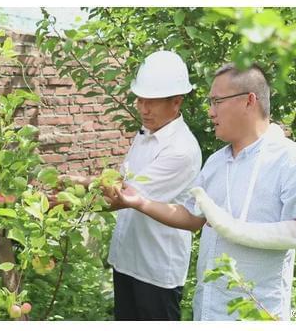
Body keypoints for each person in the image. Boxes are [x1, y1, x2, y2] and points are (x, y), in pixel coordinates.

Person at [107, 63, 296, 320]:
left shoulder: (291, 159)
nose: (210, 112)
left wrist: (235, 229)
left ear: (249, 101)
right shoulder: (216, 162)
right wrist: (141, 202)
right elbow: (192, 217)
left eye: (217, 102)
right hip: (209, 308)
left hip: (257, 312)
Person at [62, 50, 202, 320]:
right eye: (140, 99)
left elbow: (123, 197)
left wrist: (70, 200)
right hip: (128, 259)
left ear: (176, 102)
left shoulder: (180, 150)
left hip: (156, 268)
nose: (143, 108)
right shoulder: (147, 133)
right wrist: (80, 181)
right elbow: (123, 182)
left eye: (152, 101)